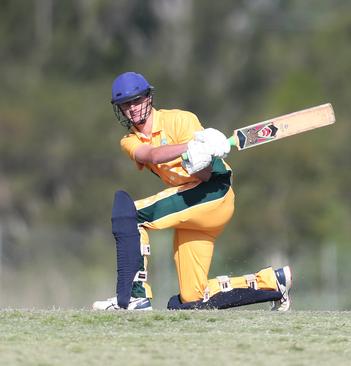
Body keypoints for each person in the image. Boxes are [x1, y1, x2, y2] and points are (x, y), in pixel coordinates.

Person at [93, 71, 292, 311]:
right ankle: (272, 284)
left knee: (130, 214)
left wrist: (204, 157)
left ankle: (135, 296)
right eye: (126, 104)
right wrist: (190, 149)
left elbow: (206, 174)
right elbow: (151, 155)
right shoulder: (129, 141)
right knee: (192, 299)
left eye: (137, 100)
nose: (132, 108)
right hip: (194, 208)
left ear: (149, 98)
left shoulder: (180, 120)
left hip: (214, 190)